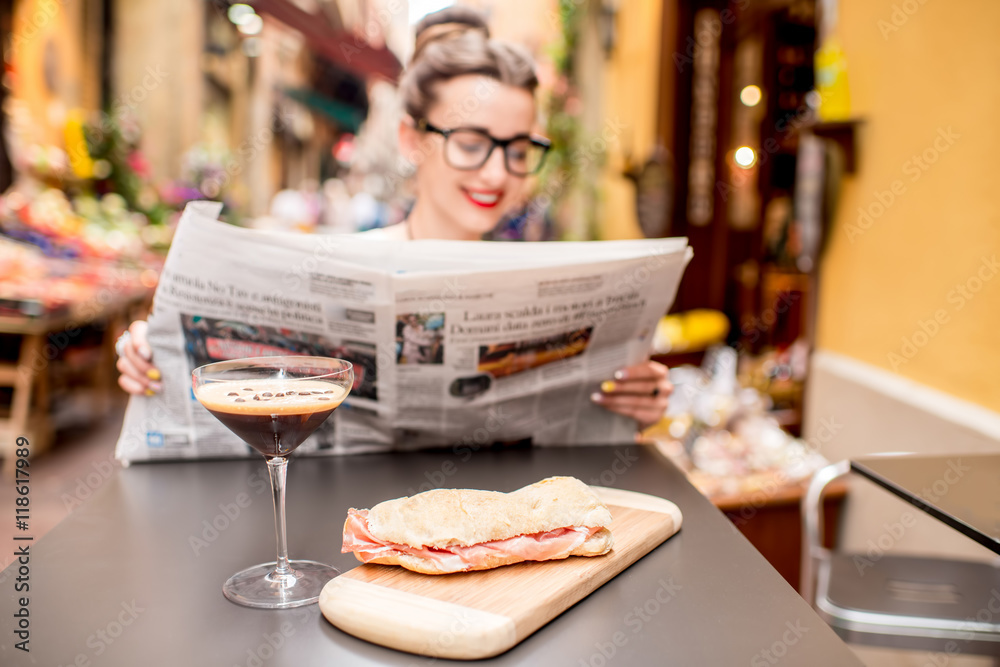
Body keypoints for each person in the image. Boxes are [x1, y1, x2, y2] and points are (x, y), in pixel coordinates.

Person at [116, 6, 672, 429]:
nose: (498, 174)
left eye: (519, 149)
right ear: (412, 139)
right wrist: (155, 354)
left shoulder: (548, 283)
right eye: (473, 143)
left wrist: (629, 401)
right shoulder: (341, 263)